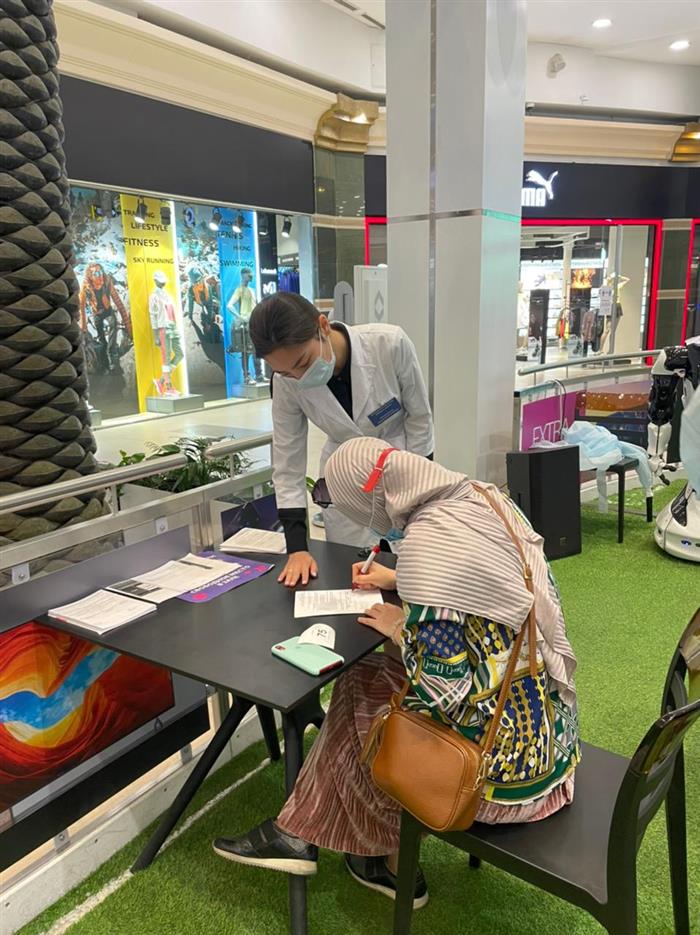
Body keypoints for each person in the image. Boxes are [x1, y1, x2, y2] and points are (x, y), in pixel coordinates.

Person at [213, 438, 580, 909]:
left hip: (498, 776)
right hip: (549, 738)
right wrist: (400, 578)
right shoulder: (484, 498)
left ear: (370, 500)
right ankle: (356, 853)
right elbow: (485, 584)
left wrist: (401, 628)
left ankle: (348, 849)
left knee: (364, 686)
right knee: (371, 684)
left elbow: (443, 691)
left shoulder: (430, 549)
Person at [248, 293, 434, 587]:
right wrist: (297, 547)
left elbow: (420, 419)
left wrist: (421, 494)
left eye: (303, 362)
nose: (299, 377)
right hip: (343, 481)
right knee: (351, 580)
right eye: (285, 372)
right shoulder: (286, 382)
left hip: (402, 469)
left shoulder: (389, 344)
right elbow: (287, 464)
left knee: (412, 575)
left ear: (323, 326)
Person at [227, 267, 264, 385]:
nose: (251, 276)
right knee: (246, 351)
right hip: (245, 323)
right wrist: (240, 317)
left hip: (254, 323)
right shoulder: (239, 290)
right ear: (243, 275)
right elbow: (229, 305)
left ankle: (259, 374)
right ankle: (247, 376)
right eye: (249, 274)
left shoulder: (252, 290)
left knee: (256, 349)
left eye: (251, 274)